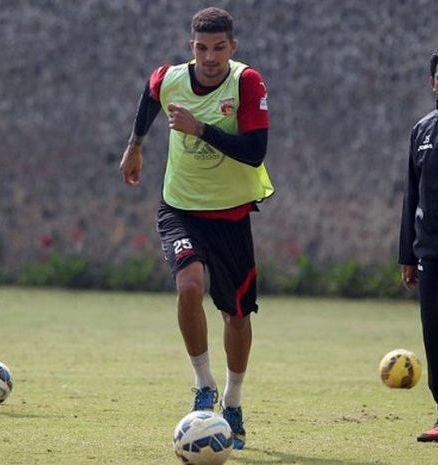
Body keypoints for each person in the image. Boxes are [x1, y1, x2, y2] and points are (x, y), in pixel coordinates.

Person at [119, 7, 273, 450]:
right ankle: (203, 385)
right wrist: (135, 147)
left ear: (233, 47)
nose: (210, 57)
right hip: (180, 208)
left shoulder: (246, 83)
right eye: (202, 48)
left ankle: (233, 401)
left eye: (219, 48)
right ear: (192, 47)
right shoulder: (168, 78)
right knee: (189, 285)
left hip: (231, 214)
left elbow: (255, 150)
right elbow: (150, 98)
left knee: (236, 315)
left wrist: (200, 128)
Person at [400, 43, 438, 443]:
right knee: (437, 336)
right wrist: (408, 254)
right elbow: (412, 196)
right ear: (431, 83)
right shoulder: (422, 131)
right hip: (432, 254)